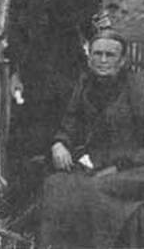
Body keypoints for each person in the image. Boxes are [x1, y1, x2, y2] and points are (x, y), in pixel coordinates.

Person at [5, 0, 103, 214]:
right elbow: (16, 38)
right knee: (27, 145)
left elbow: (98, 30)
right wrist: (15, 74)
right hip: (33, 80)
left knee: (66, 142)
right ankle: (26, 214)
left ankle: (66, 213)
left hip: (69, 76)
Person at [38, 30, 144, 248]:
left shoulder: (137, 88)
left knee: (96, 190)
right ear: (89, 57)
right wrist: (60, 143)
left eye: (110, 55)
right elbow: (69, 123)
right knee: (55, 184)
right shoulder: (85, 85)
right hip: (99, 165)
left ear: (123, 60)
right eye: (97, 54)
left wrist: (120, 165)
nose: (103, 60)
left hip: (135, 168)